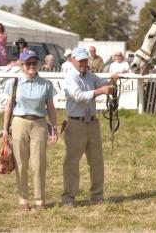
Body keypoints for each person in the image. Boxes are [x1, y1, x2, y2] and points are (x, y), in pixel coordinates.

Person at [61, 47, 118, 207]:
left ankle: (97, 197)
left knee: (97, 161)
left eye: (85, 60)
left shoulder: (91, 76)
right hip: (75, 124)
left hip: (92, 123)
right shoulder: (70, 78)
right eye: (81, 61)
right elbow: (78, 96)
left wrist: (111, 81)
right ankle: (68, 198)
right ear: (73, 60)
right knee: (72, 162)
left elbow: (103, 83)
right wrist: (101, 91)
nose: (84, 63)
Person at [2, 49, 58, 211]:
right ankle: (23, 200)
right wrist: (5, 129)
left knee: (39, 163)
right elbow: (8, 106)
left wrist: (53, 128)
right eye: (28, 63)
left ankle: (40, 200)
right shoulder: (14, 83)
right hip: (19, 123)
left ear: (38, 64)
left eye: (34, 62)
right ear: (22, 65)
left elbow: (51, 108)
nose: (32, 66)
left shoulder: (46, 84)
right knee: (20, 163)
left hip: (40, 125)